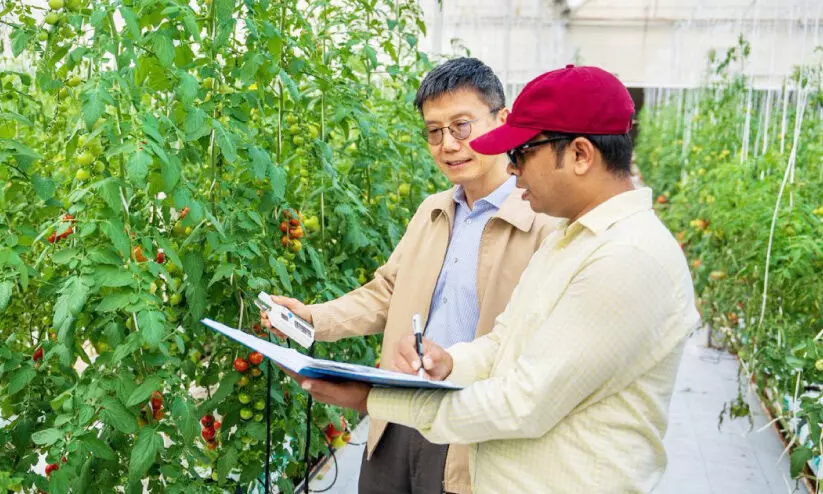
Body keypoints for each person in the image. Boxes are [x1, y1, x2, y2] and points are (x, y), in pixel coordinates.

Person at [286, 64, 702, 493]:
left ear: (580, 154)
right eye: (434, 131)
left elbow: (526, 400)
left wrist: (371, 396)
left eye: (522, 153)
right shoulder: (569, 238)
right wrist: (449, 362)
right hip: (452, 420)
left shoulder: (624, 257)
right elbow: (505, 342)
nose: (514, 167)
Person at [261, 57, 559, 494]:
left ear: (502, 120)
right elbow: (386, 293)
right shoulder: (434, 211)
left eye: (461, 126)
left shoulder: (541, 223)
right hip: (397, 413)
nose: (448, 145)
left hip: (472, 427)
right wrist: (313, 318)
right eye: (434, 132)